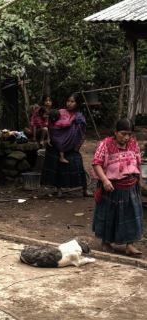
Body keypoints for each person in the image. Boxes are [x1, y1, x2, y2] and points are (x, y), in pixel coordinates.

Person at [92, 119, 144, 257]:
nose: (126, 137)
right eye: (123, 134)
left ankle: (130, 245)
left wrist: (140, 180)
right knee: (110, 215)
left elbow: (138, 162)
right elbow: (96, 163)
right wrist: (104, 180)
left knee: (131, 215)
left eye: (129, 134)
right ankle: (106, 242)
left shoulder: (133, 144)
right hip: (112, 187)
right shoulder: (106, 144)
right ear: (115, 132)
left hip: (130, 185)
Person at [40, 93, 89, 198]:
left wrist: (77, 144)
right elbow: (51, 124)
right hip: (57, 143)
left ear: (77, 103)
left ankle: (85, 189)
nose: (69, 103)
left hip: (72, 146)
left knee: (77, 165)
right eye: (68, 101)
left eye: (72, 101)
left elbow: (82, 131)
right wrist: (49, 137)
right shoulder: (60, 112)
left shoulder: (79, 116)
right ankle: (59, 190)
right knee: (58, 167)